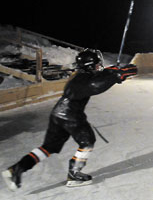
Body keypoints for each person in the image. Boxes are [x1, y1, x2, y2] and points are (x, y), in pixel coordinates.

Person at [2, 49, 138, 190]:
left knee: (49, 147)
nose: (99, 66)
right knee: (87, 141)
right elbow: (95, 85)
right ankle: (74, 174)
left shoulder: (80, 75)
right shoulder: (83, 80)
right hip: (71, 117)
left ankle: (16, 169)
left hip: (58, 114)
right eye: (96, 64)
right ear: (90, 65)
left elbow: (98, 77)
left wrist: (113, 71)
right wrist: (116, 75)